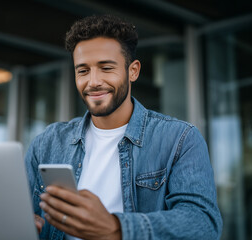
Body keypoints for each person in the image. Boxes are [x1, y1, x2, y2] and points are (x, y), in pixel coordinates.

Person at [26, 15, 222, 240]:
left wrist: (115, 227)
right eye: (83, 71)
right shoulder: (46, 143)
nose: (93, 82)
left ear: (133, 71)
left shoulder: (180, 139)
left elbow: (203, 224)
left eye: (106, 68)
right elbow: (23, 213)